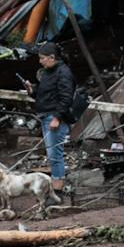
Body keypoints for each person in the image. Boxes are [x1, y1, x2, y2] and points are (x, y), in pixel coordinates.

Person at [31, 44, 88, 198]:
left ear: (52, 57)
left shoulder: (64, 73)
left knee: (55, 155)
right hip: (46, 115)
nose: (41, 62)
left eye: (42, 58)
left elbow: (66, 97)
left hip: (55, 118)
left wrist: (57, 117)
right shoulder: (48, 72)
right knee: (52, 155)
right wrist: (32, 90)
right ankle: (55, 190)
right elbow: (46, 94)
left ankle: (57, 193)